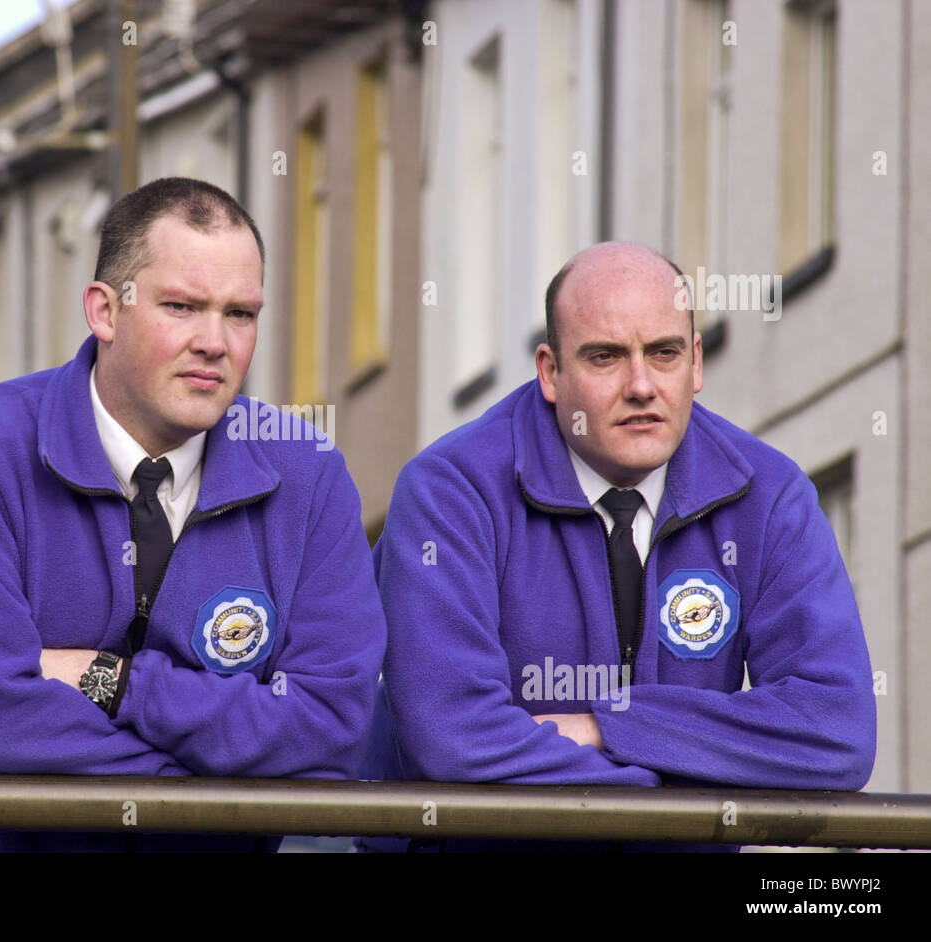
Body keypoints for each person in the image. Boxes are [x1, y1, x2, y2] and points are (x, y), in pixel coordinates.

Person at [0, 177, 386, 852]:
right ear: (105, 312)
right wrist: (214, 785)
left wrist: (113, 682)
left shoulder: (310, 476)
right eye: (182, 306)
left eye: (241, 314)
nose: (216, 342)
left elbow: (331, 727)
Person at [363, 241, 876, 851]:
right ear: (551, 373)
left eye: (664, 353)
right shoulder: (450, 492)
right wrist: (680, 779)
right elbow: (451, 736)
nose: (641, 385)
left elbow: (836, 732)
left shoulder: (768, 495)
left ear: (697, 364)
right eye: (605, 357)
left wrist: (608, 728)